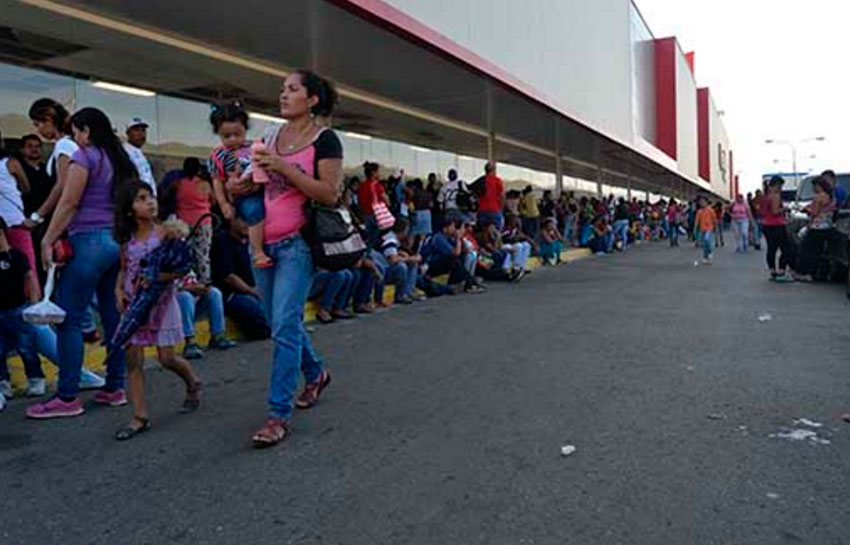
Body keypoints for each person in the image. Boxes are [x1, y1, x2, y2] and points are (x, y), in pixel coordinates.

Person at [247, 69, 341, 447]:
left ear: (312, 99)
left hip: (297, 245)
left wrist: (285, 168)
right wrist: (242, 182)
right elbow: (256, 186)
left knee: (285, 324)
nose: (283, 95)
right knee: (277, 322)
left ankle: (277, 415)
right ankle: (316, 372)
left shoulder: (325, 139)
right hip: (261, 245)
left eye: (292, 89)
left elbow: (329, 194)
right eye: (282, 89)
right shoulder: (269, 136)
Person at [27, 107, 134, 419]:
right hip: (117, 243)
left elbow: (70, 201)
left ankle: (67, 396)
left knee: (69, 319)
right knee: (113, 317)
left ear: (86, 130)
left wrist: (48, 238)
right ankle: (115, 387)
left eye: (76, 132)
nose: (75, 138)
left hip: (87, 241)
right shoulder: (121, 160)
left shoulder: (84, 157)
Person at [111, 181, 202, 440]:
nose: (150, 202)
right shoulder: (126, 240)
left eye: (150, 196)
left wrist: (160, 276)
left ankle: (192, 382)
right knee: (133, 359)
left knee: (166, 358)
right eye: (141, 198)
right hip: (133, 303)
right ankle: (139, 416)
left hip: (160, 302)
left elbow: (182, 268)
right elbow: (124, 268)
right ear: (129, 209)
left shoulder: (167, 233)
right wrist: (119, 290)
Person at [209, 100, 271, 269]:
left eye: (238, 134)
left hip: (262, 189)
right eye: (227, 136)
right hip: (243, 196)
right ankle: (257, 251)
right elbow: (217, 181)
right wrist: (224, 204)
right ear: (218, 134)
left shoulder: (254, 147)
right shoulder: (218, 155)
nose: (233, 140)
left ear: (245, 129)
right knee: (254, 210)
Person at [0, 217, 44, 403]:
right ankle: (3, 382)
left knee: (26, 347)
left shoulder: (16, 256)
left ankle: (35, 378)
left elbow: (30, 277)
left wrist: (34, 305)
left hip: (18, 308)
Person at [210, 217, 270, 339]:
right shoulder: (222, 241)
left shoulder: (251, 241)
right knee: (252, 307)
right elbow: (228, 276)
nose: (247, 225)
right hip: (232, 294)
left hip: (254, 288)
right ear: (232, 221)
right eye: (243, 220)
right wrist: (252, 291)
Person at [23, 98, 75, 232]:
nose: (38, 130)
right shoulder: (69, 143)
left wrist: (37, 216)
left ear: (48, 120)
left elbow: (62, 184)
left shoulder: (64, 145)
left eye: (37, 124)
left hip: (67, 222)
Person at [0, 130, 39, 300]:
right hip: (16, 222)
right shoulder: (10, 163)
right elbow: (26, 187)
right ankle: (34, 309)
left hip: (3, 225)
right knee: (28, 268)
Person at [16, 134, 53, 284]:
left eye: (38, 147)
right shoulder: (17, 169)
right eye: (30, 146)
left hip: (47, 221)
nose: (34, 150)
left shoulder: (48, 170)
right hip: (25, 221)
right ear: (22, 149)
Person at [420, 215, 485, 294]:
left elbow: (463, 251)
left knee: (459, 260)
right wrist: (458, 238)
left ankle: (468, 281)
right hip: (432, 264)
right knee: (452, 259)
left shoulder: (448, 238)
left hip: (444, 265)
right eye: (452, 226)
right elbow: (455, 253)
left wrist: (460, 239)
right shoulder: (439, 238)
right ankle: (470, 282)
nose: (454, 229)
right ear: (445, 228)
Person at [794, 175, 838, 282]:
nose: (813, 189)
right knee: (817, 252)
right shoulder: (831, 196)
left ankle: (805, 273)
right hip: (827, 226)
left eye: (814, 186)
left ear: (819, 186)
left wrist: (806, 210)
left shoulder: (817, 197)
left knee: (807, 250)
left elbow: (815, 212)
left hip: (816, 227)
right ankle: (814, 273)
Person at [761, 176, 795, 282]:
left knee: (772, 249)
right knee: (786, 249)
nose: (781, 188)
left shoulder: (766, 196)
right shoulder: (775, 196)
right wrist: (785, 208)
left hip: (767, 224)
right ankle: (781, 271)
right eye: (781, 186)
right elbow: (775, 211)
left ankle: (773, 272)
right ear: (777, 185)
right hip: (776, 225)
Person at [357, 161, 389, 245]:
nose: (380, 173)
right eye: (378, 171)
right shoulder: (377, 185)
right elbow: (386, 199)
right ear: (373, 173)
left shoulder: (362, 186)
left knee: (369, 238)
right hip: (378, 215)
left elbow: (359, 201)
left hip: (366, 214)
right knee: (378, 238)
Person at [123, 117, 156, 195]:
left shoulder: (139, 152)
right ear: (128, 133)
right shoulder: (125, 152)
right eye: (137, 130)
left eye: (143, 130)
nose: (141, 134)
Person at [476, 162, 505, 229]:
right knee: (496, 234)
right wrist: (500, 209)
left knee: (482, 231)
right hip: (495, 210)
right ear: (494, 170)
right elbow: (502, 196)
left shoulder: (481, 180)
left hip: (482, 210)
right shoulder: (498, 181)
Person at [694, 197, 717, 264]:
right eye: (700, 202)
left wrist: (715, 227)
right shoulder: (699, 212)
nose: (702, 203)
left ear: (707, 203)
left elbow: (714, 219)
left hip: (709, 228)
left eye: (703, 202)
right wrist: (695, 229)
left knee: (707, 240)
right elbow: (697, 221)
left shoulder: (710, 210)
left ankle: (709, 252)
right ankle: (705, 256)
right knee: (704, 244)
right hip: (702, 229)